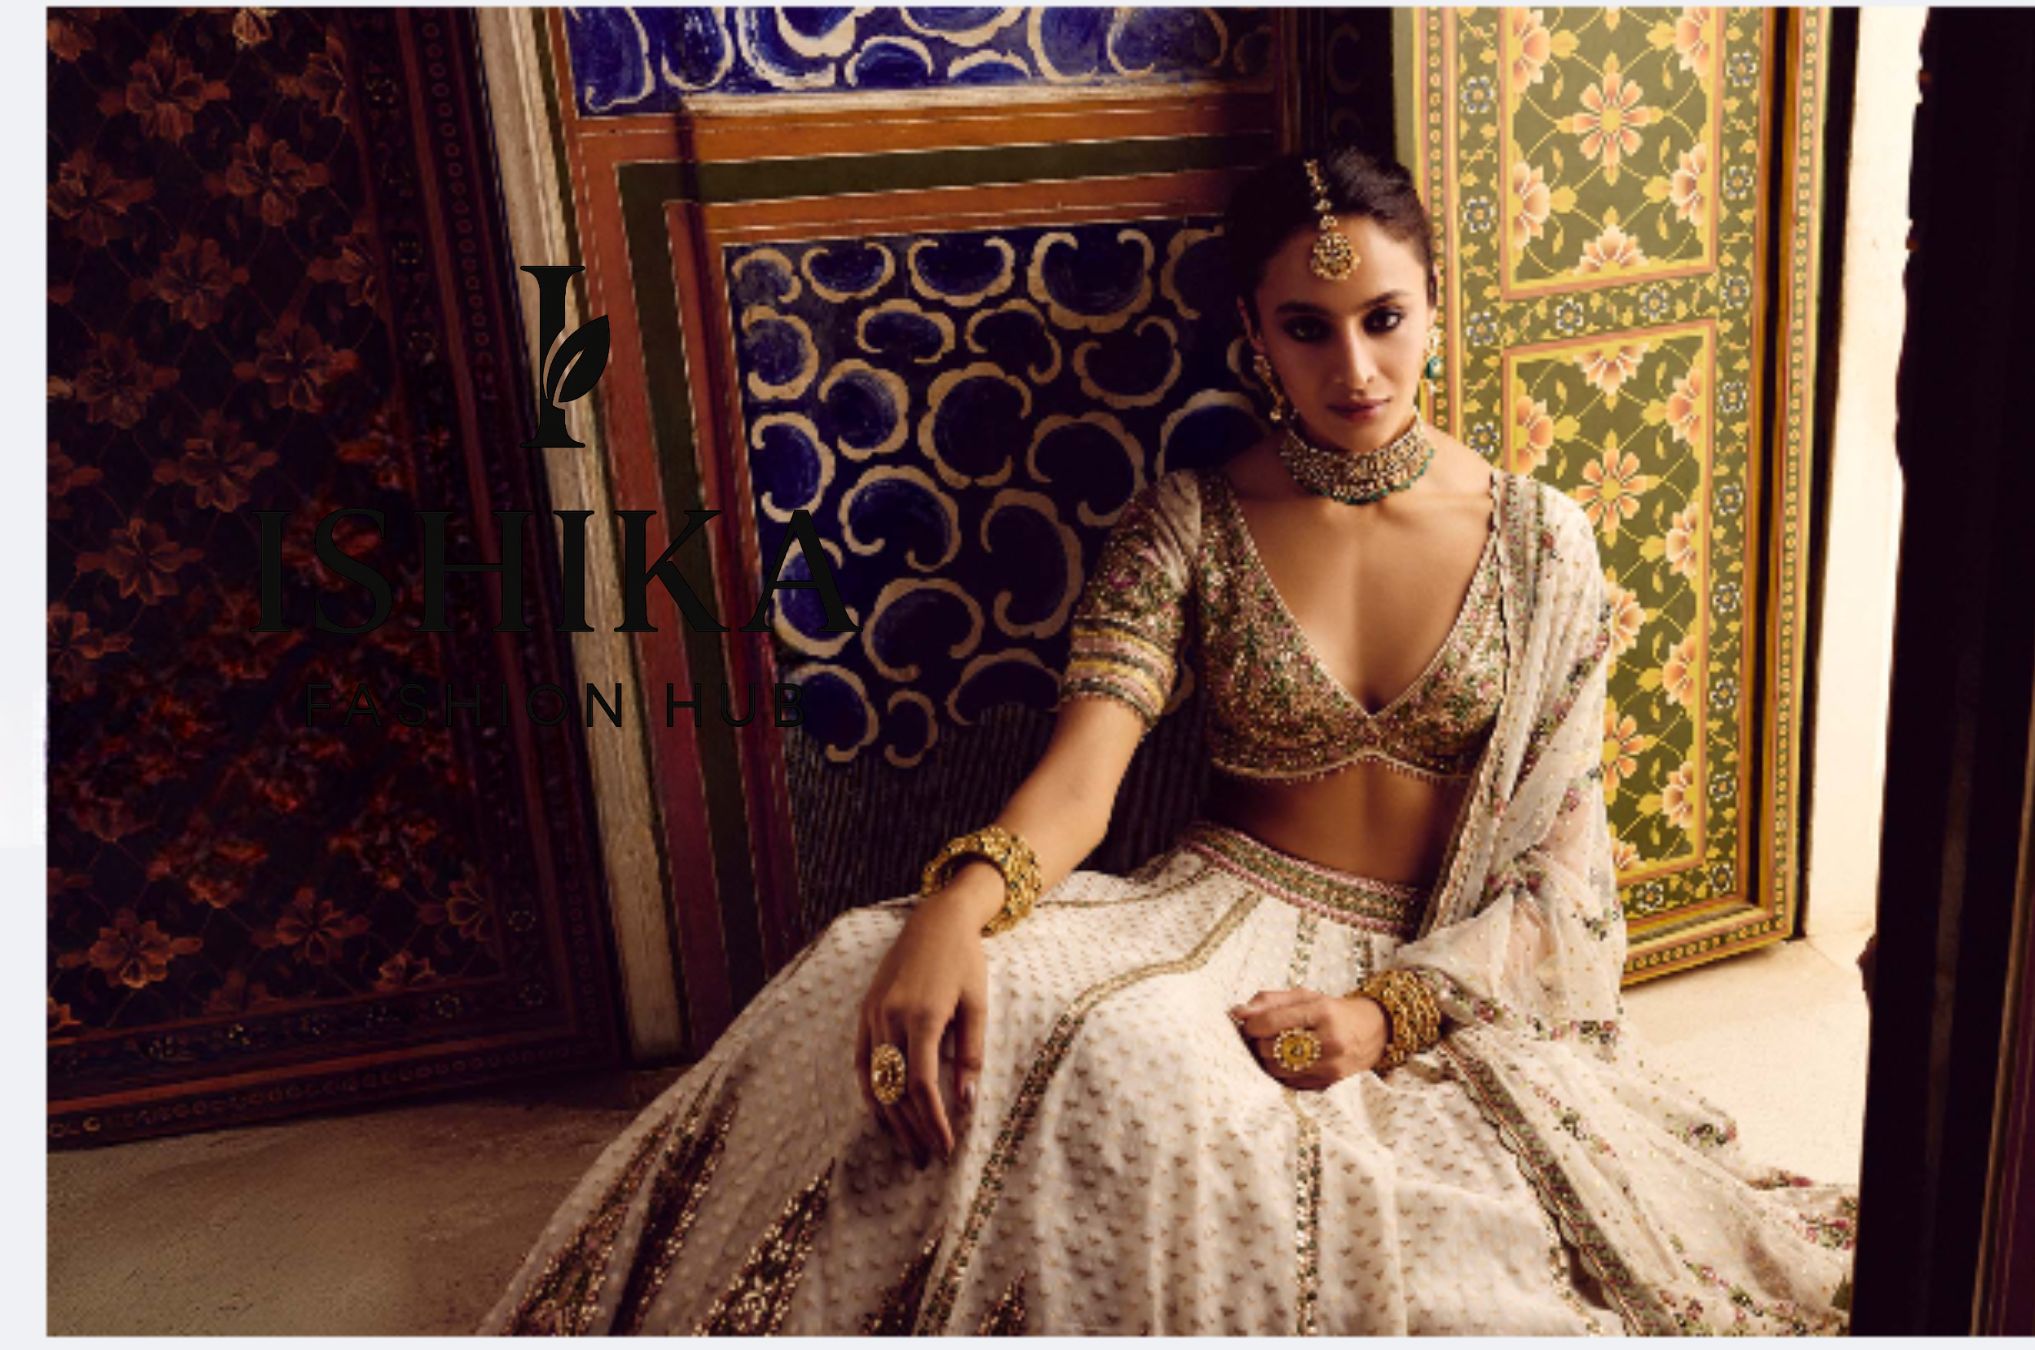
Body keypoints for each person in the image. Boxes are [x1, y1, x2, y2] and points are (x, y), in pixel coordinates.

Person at [479, 148, 1857, 1336]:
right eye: (1307, 328)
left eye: (1384, 317)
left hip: (1427, 962)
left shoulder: (1545, 543)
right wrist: (955, 903)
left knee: (1193, 1097)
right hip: (1208, 917)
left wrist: (1380, 1017)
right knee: (879, 964)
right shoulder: (1193, 519)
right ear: (1254, 334)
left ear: (1438, 305)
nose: (1354, 367)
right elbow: (1083, 779)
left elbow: (1564, 883)